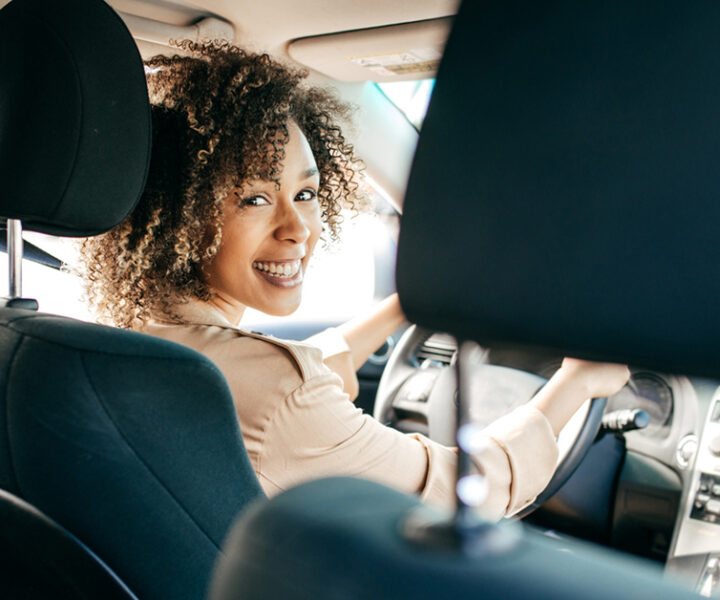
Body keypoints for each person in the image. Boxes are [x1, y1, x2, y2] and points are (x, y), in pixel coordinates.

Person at [79, 41, 629, 520]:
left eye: (307, 194)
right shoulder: (274, 393)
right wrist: (576, 383)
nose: (297, 228)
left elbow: (288, 386)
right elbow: (465, 495)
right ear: (181, 211)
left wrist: (409, 303)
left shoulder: (128, 339)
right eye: (254, 198)